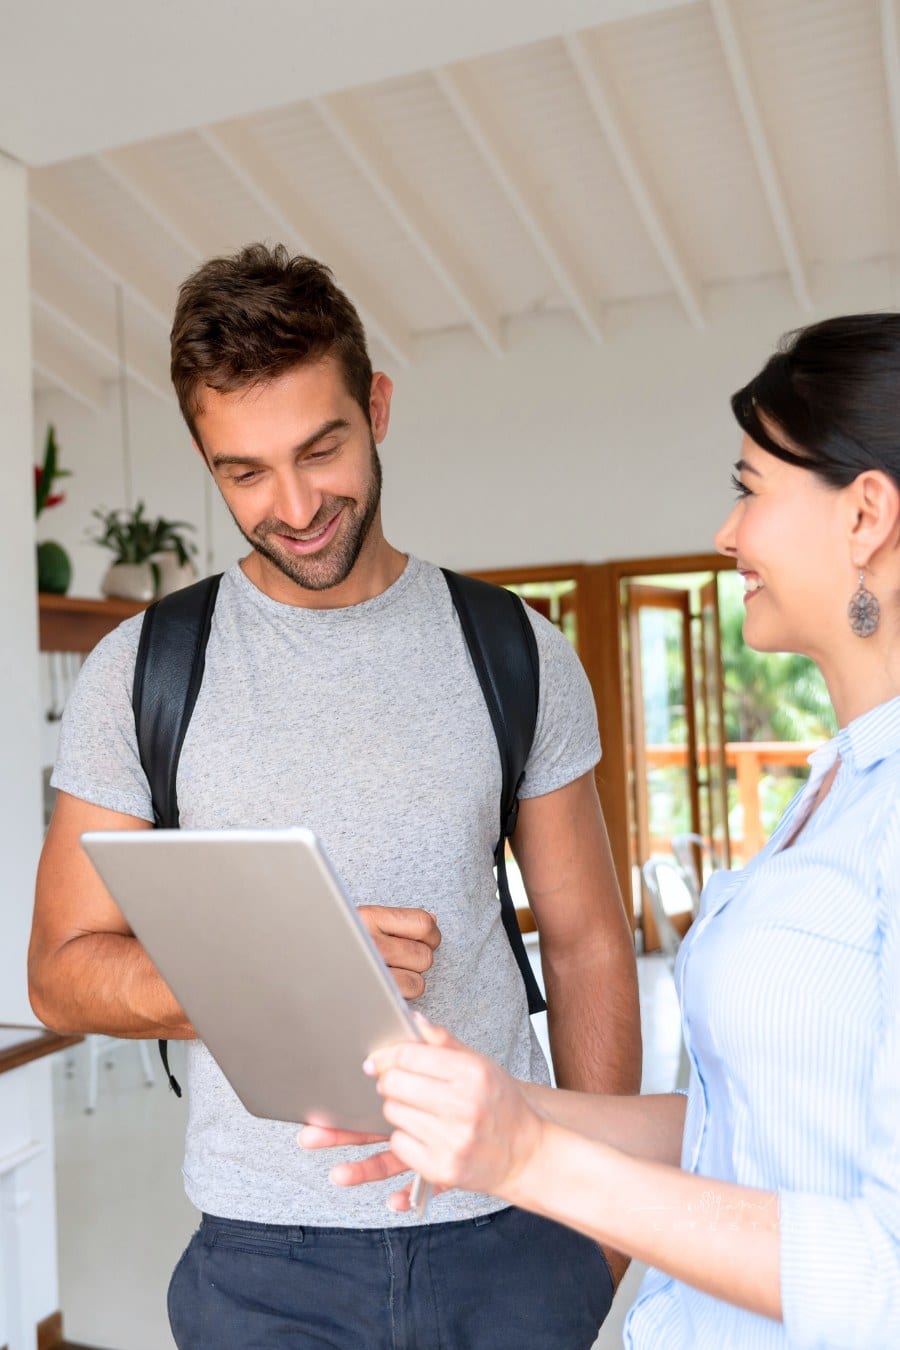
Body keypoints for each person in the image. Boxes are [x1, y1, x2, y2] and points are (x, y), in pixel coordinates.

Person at [27, 244, 641, 1350]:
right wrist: (292, 975)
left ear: (379, 407)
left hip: (509, 1230)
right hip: (263, 1257)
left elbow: (591, 941)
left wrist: (599, 1220)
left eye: (323, 447)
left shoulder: (514, 651)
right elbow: (61, 973)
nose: (296, 504)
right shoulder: (145, 668)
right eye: (245, 473)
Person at [319, 313, 900, 1348]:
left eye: (750, 486)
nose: (728, 533)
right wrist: (507, 1109)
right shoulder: (836, 788)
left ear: (865, 516)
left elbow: (884, 1279)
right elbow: (732, 1140)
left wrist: (529, 1165)